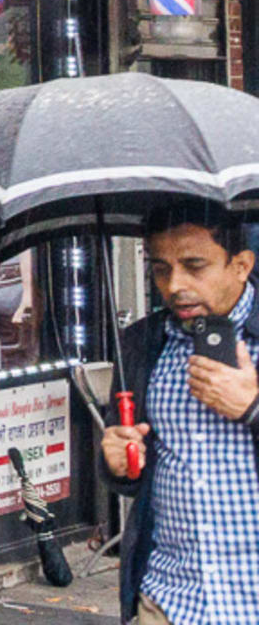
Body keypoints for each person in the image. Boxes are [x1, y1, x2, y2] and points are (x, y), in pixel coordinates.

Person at [101, 204, 259, 625]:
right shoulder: (140, 345)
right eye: (160, 269)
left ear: (241, 265)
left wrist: (253, 409)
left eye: (194, 266)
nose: (175, 285)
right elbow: (136, 481)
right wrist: (119, 463)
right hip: (169, 603)